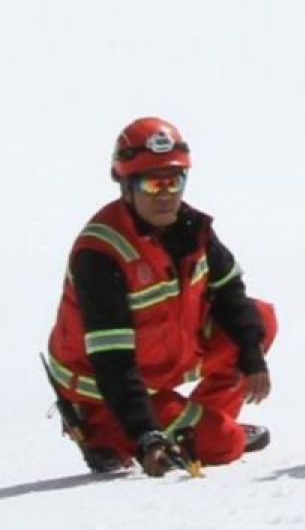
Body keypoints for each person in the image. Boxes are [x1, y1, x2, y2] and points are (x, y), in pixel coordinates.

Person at [45, 117, 277, 477]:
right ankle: (108, 433)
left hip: (162, 363)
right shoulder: (102, 253)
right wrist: (146, 433)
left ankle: (197, 424)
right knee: (227, 443)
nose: (166, 194)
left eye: (174, 181)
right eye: (153, 183)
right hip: (106, 390)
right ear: (126, 186)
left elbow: (230, 292)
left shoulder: (192, 229)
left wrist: (251, 354)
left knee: (259, 321)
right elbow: (112, 360)